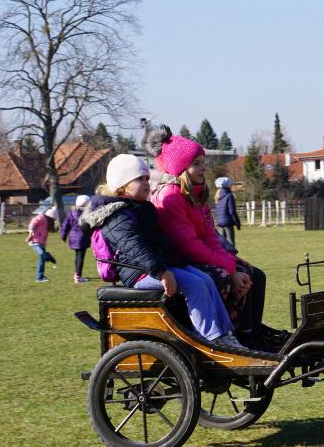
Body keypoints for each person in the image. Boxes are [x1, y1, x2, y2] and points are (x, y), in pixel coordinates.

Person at [79, 154, 244, 348]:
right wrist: (162, 272)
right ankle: (212, 339)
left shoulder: (141, 208)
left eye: (147, 178)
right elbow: (134, 248)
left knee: (205, 279)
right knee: (194, 285)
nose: (146, 182)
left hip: (157, 267)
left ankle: (225, 333)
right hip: (139, 273)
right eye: (139, 179)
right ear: (122, 185)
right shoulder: (117, 216)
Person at [146, 126, 270, 350]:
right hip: (183, 259)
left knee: (255, 274)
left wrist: (230, 262)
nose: (203, 167)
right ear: (180, 169)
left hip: (199, 256)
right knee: (222, 278)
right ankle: (225, 338)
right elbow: (188, 246)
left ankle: (250, 333)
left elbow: (210, 235)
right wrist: (229, 270)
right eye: (196, 163)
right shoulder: (172, 197)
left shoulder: (196, 193)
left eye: (203, 162)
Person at [61, 194, 91, 283]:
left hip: (73, 238)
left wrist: (63, 237)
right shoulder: (86, 214)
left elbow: (65, 225)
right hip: (82, 238)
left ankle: (76, 274)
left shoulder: (71, 213)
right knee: (80, 257)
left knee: (77, 256)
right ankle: (78, 276)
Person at [27, 207, 57, 282]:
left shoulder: (48, 221)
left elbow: (51, 230)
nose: (52, 221)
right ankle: (48, 256)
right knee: (42, 254)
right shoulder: (41, 217)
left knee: (41, 260)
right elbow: (32, 223)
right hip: (34, 241)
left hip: (42, 243)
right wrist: (30, 233)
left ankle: (40, 277)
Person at [214, 176, 241, 247]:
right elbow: (232, 211)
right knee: (230, 243)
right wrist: (237, 223)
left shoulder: (217, 196)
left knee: (222, 244)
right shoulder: (229, 195)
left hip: (219, 222)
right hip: (228, 222)